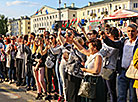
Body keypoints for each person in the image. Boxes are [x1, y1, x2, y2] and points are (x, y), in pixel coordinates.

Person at [102, 24, 138, 102]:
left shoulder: (137, 43)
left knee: (132, 97)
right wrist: (105, 38)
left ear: (136, 32)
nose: (130, 33)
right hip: (122, 72)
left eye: (133, 31)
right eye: (128, 31)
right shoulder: (124, 41)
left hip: (133, 73)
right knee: (121, 97)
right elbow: (113, 44)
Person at [100, 27, 119, 102]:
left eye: (109, 34)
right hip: (104, 67)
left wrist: (104, 46)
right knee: (104, 90)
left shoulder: (117, 44)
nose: (108, 35)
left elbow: (106, 53)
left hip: (111, 68)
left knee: (111, 90)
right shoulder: (106, 43)